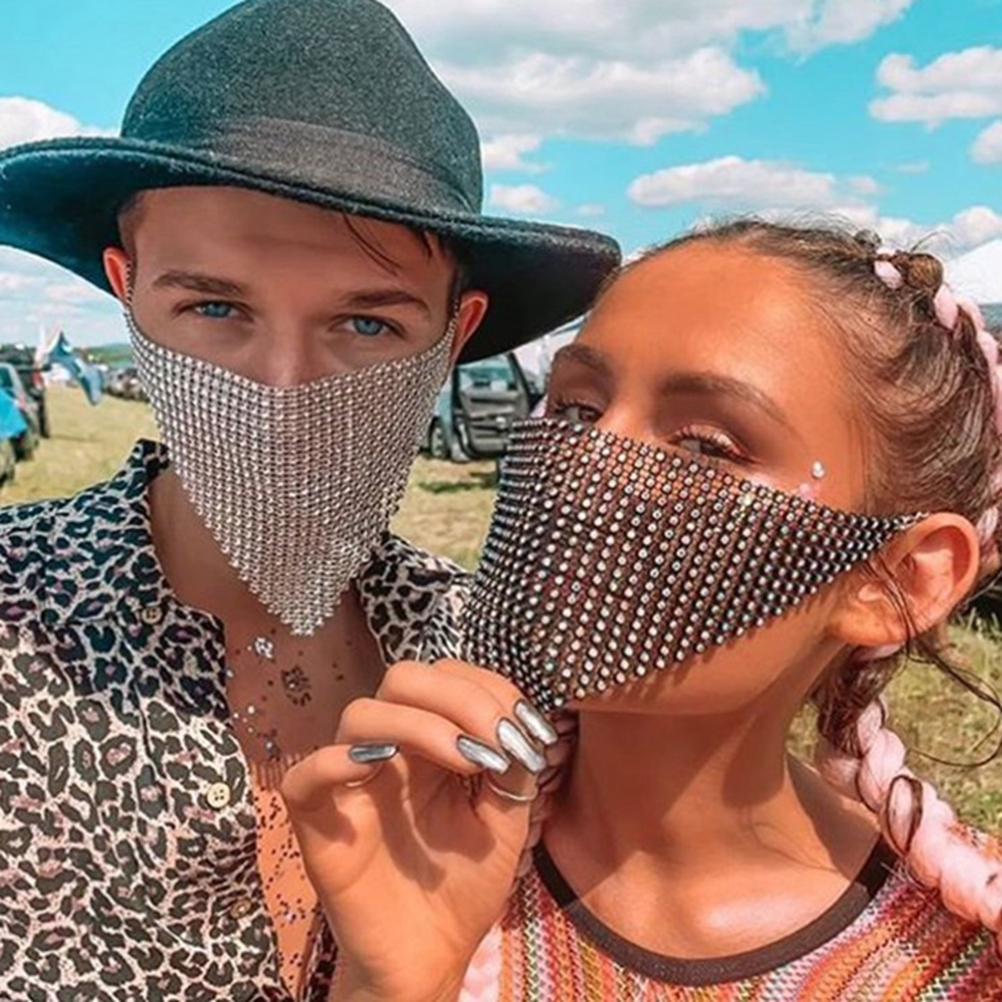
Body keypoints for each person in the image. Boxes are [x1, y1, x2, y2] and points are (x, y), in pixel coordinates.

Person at [0, 1, 619, 998]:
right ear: (128, 292)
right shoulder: (15, 618)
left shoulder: (490, 659)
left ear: (453, 338)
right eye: (214, 307)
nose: (281, 395)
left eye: (366, 326)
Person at [283, 220, 1002, 1001]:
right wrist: (391, 984)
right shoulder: (415, 839)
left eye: (705, 446)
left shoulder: (963, 964)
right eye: (575, 411)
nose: (581, 472)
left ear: (896, 580)